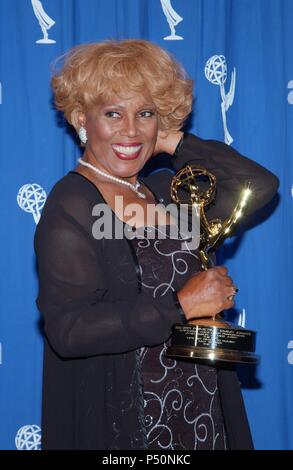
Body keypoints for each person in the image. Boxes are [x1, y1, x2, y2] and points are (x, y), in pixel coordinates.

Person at [34, 39, 279, 450]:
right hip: (132, 422)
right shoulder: (73, 204)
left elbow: (258, 187)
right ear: (81, 118)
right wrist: (181, 306)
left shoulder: (165, 192)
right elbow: (70, 330)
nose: (130, 130)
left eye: (144, 113)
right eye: (113, 113)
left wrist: (174, 142)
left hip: (201, 408)